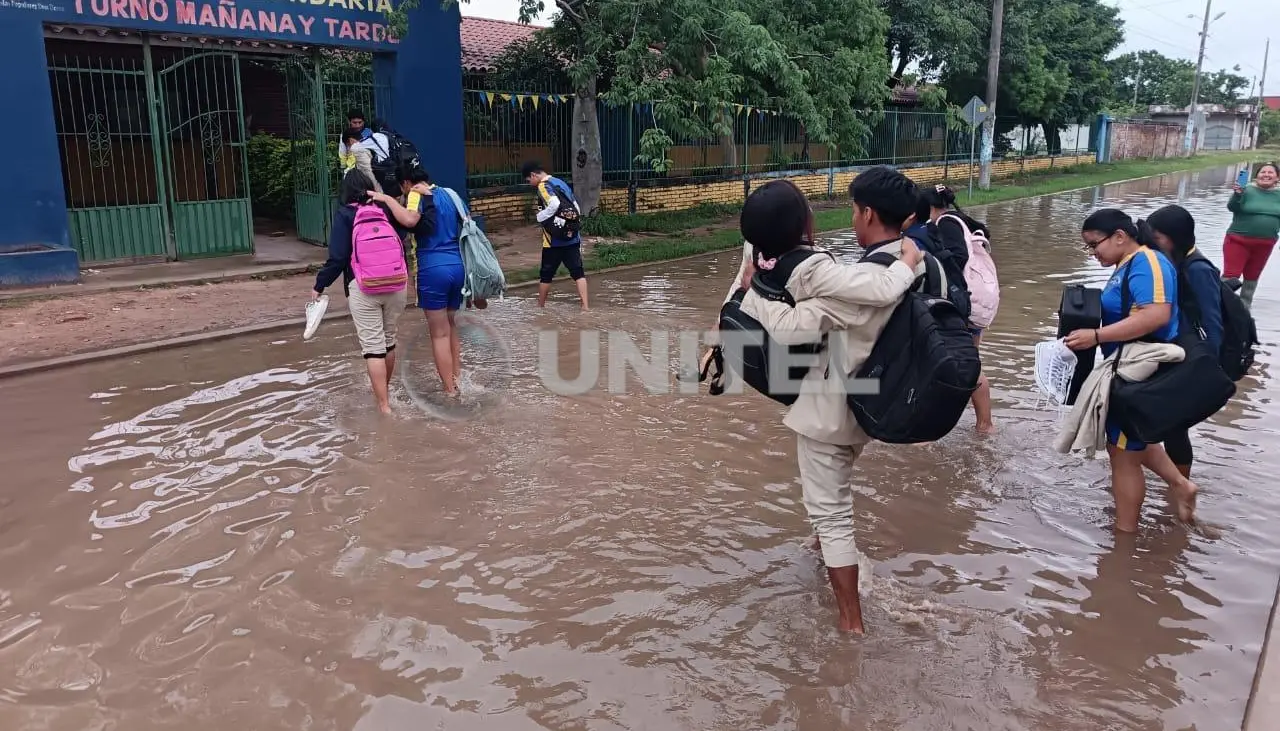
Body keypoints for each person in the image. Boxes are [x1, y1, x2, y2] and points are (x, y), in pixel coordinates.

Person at [731, 170, 928, 634]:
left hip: (831, 409)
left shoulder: (869, 278)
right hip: (866, 398)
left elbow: (791, 326)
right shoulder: (903, 261)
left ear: (868, 214)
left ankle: (850, 626)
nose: (850, 217)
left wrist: (750, 296)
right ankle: (818, 551)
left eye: (854, 209)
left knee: (833, 515)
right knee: (830, 499)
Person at [1062, 208, 1198, 532]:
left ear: (1120, 236)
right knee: (1132, 439)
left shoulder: (1146, 262)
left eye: (1094, 245)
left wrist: (1097, 336)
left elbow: (1156, 315)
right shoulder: (1128, 264)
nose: (1092, 253)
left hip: (1139, 372)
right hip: (1126, 368)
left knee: (1122, 455)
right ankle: (1181, 484)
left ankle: (1124, 542)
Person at [311, 172, 407, 415]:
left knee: (373, 348)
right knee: (389, 341)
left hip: (363, 287)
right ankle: (385, 391)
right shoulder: (384, 208)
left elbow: (338, 258)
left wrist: (319, 285)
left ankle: (383, 406)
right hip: (396, 284)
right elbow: (403, 236)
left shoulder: (345, 214)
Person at [369, 168, 468, 397]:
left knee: (439, 334)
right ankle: (457, 379)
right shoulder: (452, 194)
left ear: (406, 182)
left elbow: (409, 219)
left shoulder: (415, 194)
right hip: (458, 266)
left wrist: (386, 199)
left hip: (432, 269)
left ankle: (450, 391)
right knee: (452, 326)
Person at [1146, 204, 1223, 479]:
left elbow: (1213, 322)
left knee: (1175, 427)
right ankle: (1174, 483)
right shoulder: (1175, 262)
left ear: (1174, 237)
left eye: (1157, 237)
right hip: (1177, 351)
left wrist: (1206, 367)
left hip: (1193, 358)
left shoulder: (1198, 269)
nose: (1153, 243)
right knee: (1168, 423)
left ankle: (1178, 486)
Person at [916, 184, 997, 433]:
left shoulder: (946, 223)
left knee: (967, 364)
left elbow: (957, 258)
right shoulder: (961, 220)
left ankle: (983, 424)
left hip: (961, 304)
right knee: (970, 362)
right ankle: (984, 424)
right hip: (973, 304)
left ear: (931, 207)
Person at [521, 161, 589, 310]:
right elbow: (576, 208)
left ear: (533, 175)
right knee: (578, 273)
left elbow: (554, 204)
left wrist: (540, 217)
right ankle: (585, 307)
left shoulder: (543, 186)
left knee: (546, 276)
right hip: (572, 238)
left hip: (553, 242)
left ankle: (540, 308)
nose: (530, 183)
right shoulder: (560, 183)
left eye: (528, 180)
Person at [1223, 162, 1280, 310]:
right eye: (1263, 172)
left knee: (1252, 278)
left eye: (1270, 172)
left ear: (1277, 178)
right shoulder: (1246, 190)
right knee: (1231, 276)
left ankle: (1244, 312)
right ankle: (1220, 307)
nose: (1266, 175)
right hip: (1237, 240)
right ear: (1256, 176)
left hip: (1265, 244)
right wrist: (1237, 194)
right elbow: (1232, 207)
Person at [339, 127, 382, 193]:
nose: (349, 148)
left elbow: (368, 170)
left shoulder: (357, 148)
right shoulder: (368, 143)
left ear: (350, 140)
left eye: (348, 145)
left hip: (371, 186)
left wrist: (378, 192)